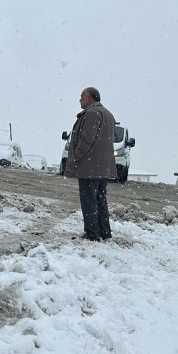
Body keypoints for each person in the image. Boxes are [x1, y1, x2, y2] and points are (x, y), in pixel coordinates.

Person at [63, 87, 117, 242]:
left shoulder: (92, 114)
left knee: (89, 200)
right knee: (100, 199)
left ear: (89, 97)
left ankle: (92, 233)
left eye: (81, 96)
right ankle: (104, 232)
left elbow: (86, 140)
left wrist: (75, 159)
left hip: (90, 166)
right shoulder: (108, 114)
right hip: (102, 166)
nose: (79, 99)